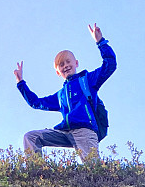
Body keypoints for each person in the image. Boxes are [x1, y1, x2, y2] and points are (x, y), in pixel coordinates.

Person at [14, 23, 116, 160]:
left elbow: (110, 65)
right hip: (65, 132)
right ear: (58, 72)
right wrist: (21, 83)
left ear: (76, 63)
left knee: (94, 170)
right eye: (61, 65)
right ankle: (35, 173)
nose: (66, 66)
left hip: (84, 131)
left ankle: (101, 179)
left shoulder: (87, 80)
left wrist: (100, 42)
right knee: (31, 137)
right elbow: (36, 102)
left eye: (68, 62)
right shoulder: (60, 95)